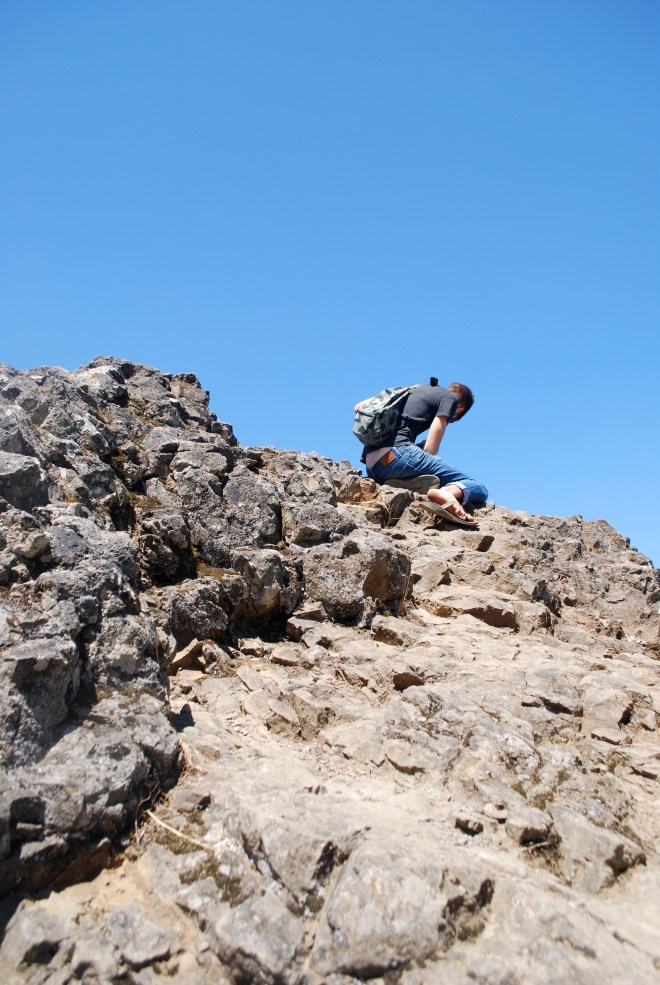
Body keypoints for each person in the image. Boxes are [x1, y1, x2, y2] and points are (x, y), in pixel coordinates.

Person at [358, 382, 488, 526]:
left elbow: (359, 407)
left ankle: (406, 482)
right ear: (460, 409)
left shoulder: (411, 390)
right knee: (478, 487)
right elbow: (430, 449)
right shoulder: (449, 398)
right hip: (398, 455)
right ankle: (447, 492)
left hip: (373, 467)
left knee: (422, 467)